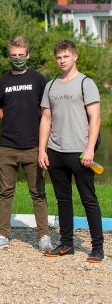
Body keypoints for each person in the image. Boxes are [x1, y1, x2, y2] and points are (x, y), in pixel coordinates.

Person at [39, 40, 104, 263]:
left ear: (74, 57)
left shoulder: (86, 83)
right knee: (63, 200)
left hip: (80, 152)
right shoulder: (51, 86)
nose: (62, 60)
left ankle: (97, 247)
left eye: (66, 56)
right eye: (58, 57)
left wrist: (89, 148)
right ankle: (66, 244)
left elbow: (95, 118)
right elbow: (46, 120)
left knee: (88, 199)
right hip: (56, 151)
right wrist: (42, 150)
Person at [0, 37, 52, 252]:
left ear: (28, 55)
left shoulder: (38, 80)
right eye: (13, 56)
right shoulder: (3, 82)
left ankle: (43, 236)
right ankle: (3, 234)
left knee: (38, 193)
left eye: (21, 55)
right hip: (8, 146)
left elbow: (46, 113)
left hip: (34, 145)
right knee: (6, 192)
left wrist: (43, 142)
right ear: (9, 57)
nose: (17, 59)